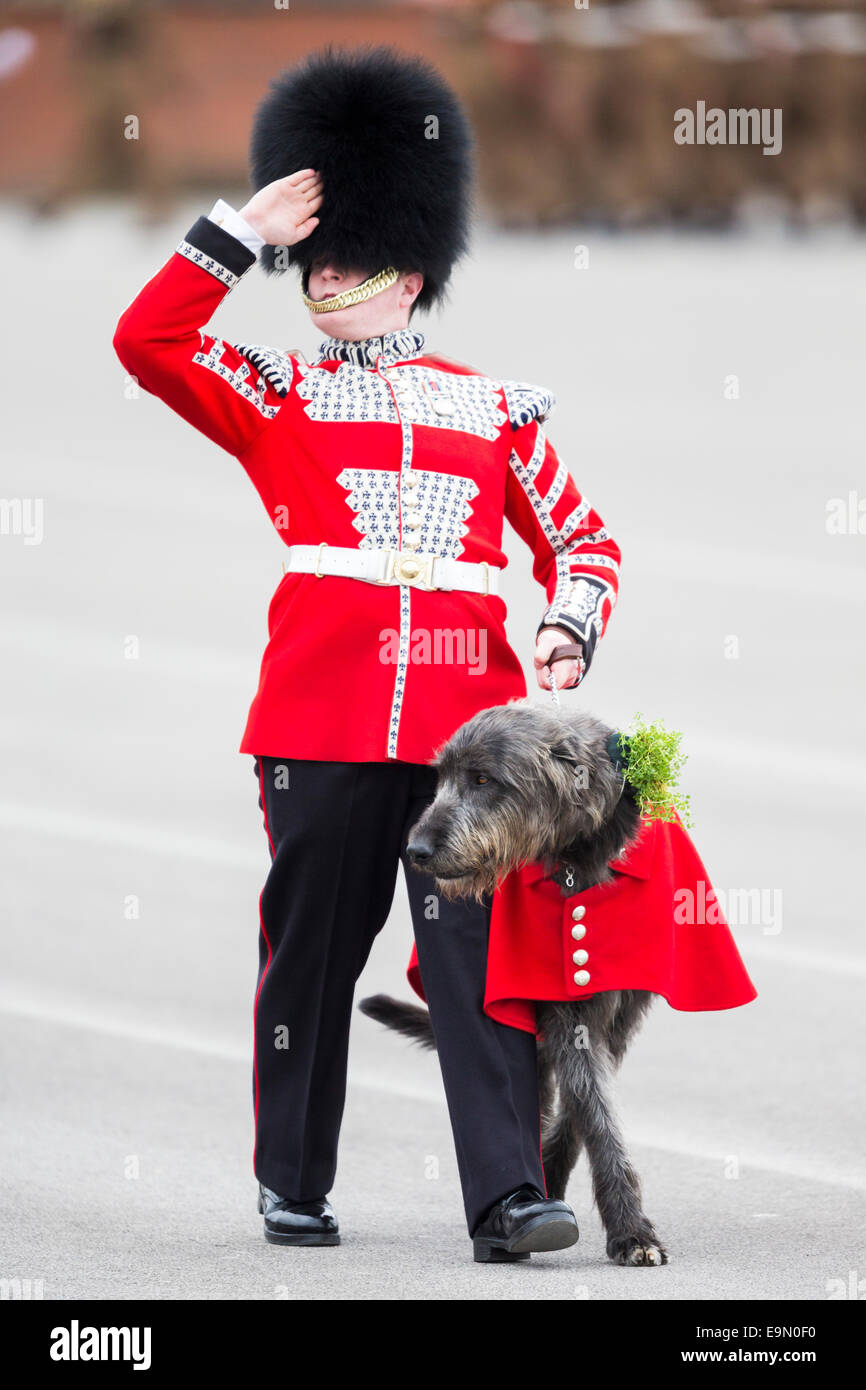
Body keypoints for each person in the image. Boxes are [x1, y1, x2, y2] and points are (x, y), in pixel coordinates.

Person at [112, 46, 621, 1263]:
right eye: (315, 261)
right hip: (319, 727)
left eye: (350, 257)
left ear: (412, 270)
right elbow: (146, 339)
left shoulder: (493, 407)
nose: (328, 275)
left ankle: (506, 1199)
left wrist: (563, 626)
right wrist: (238, 233)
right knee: (308, 962)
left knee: (478, 969)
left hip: (469, 746)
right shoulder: (273, 392)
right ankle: (292, 1180)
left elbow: (582, 542)